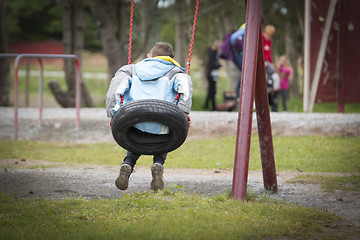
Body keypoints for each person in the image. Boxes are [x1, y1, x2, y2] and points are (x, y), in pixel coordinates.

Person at [106, 42, 193, 192]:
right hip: (162, 125)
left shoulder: (131, 70)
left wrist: (113, 114)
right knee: (166, 136)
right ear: (170, 58)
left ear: (149, 56)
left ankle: (127, 164)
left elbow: (115, 89)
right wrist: (183, 112)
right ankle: (158, 164)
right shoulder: (175, 72)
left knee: (134, 142)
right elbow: (185, 87)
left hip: (134, 122)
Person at [204, 41, 221, 111]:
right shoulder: (212, 54)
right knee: (212, 91)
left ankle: (207, 106)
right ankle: (212, 107)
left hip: (211, 74)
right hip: (212, 74)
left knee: (211, 91)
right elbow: (212, 65)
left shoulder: (213, 54)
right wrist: (219, 65)